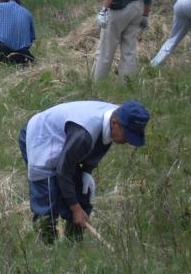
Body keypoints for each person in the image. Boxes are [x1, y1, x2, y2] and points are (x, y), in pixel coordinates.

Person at [18, 100, 150, 243]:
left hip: (66, 142)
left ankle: (73, 246)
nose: (127, 140)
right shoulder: (84, 134)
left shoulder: (119, 116)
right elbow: (63, 171)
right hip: (41, 135)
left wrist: (86, 171)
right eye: (127, 134)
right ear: (114, 122)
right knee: (47, 199)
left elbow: (100, 142)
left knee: (82, 196)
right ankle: (46, 250)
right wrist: (75, 208)